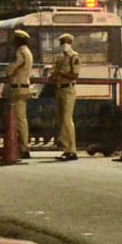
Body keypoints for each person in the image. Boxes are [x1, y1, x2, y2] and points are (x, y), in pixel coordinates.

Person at [51, 32, 80, 161]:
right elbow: (55, 74)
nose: (64, 45)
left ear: (71, 43)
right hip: (59, 89)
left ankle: (72, 150)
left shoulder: (74, 57)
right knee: (61, 119)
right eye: (62, 43)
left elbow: (75, 75)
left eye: (66, 43)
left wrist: (61, 73)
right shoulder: (60, 58)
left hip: (69, 88)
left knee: (67, 119)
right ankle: (65, 149)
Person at [6, 29, 34, 158]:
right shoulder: (27, 51)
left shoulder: (21, 52)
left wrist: (9, 70)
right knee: (21, 118)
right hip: (23, 86)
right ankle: (22, 146)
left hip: (18, 87)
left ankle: (23, 147)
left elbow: (13, 69)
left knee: (19, 119)